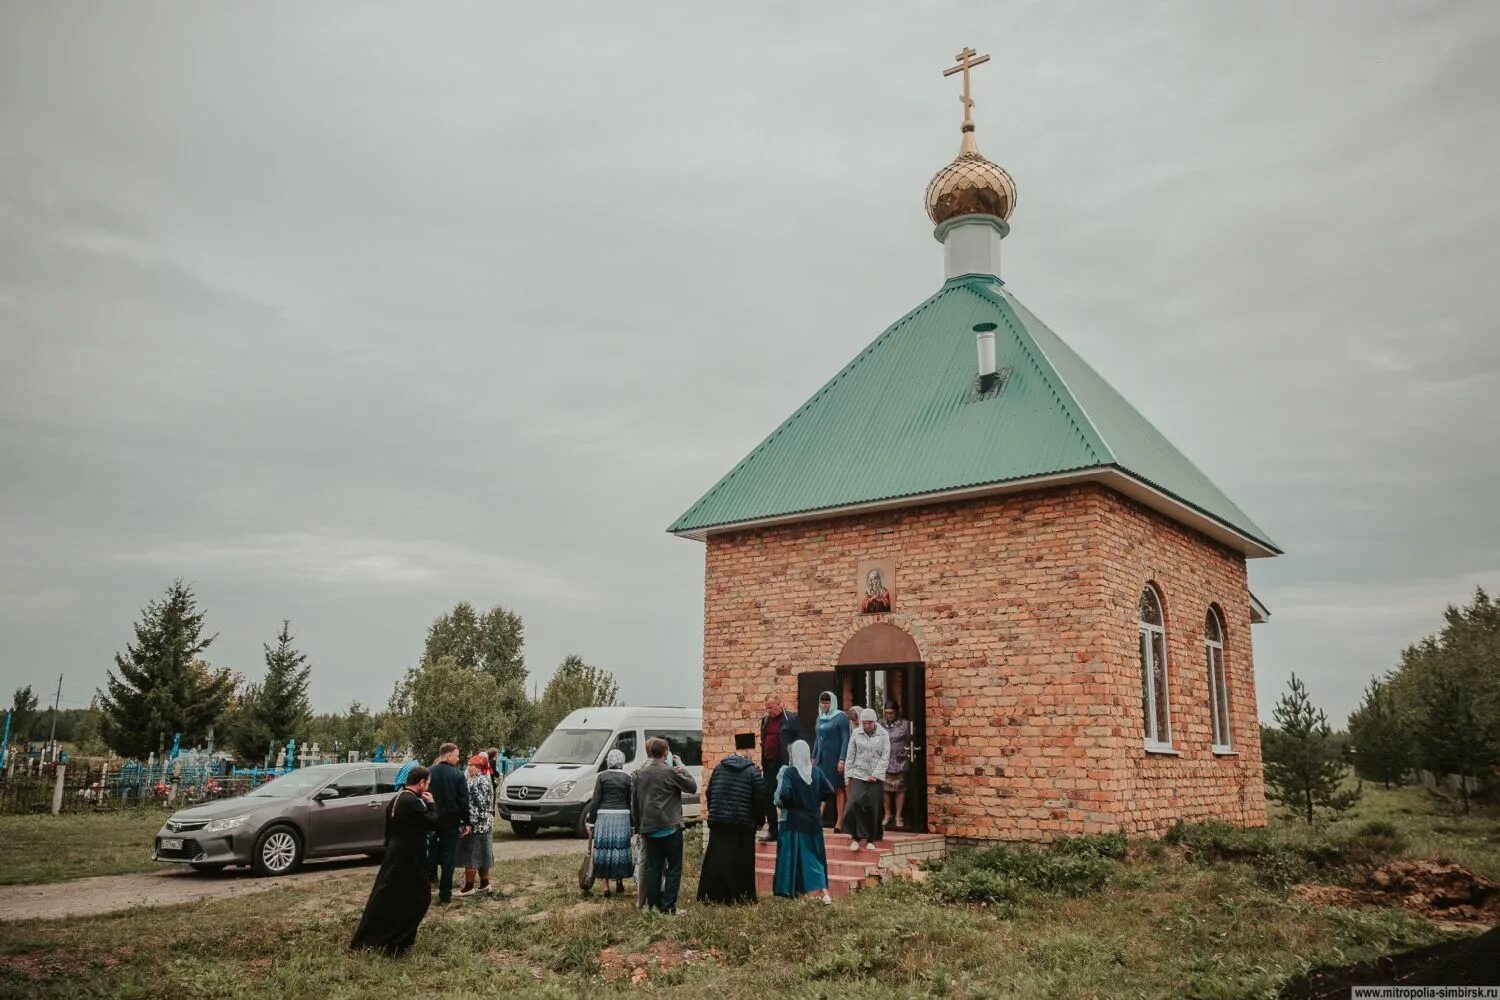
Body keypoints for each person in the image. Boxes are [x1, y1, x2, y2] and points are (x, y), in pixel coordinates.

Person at [350, 765, 437, 956]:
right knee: (419, 898)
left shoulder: (397, 798)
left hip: (395, 853)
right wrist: (432, 804)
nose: (429, 787)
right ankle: (398, 942)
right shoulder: (412, 802)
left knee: (389, 896)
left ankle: (380, 938)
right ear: (421, 783)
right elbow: (432, 822)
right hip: (409, 856)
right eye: (428, 783)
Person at [697, 732, 765, 905]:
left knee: (718, 859)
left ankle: (713, 895)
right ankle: (741, 896)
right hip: (742, 823)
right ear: (750, 749)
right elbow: (759, 799)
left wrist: (715, 811)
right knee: (741, 861)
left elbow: (709, 792)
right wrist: (759, 821)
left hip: (719, 822)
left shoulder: (719, 768)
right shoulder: (752, 771)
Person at [632, 737, 697, 914]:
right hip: (670, 827)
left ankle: (653, 905)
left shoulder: (639, 774)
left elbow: (635, 804)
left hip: (649, 829)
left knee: (653, 868)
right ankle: (668, 906)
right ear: (666, 753)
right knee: (674, 869)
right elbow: (692, 787)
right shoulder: (670, 772)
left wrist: (639, 828)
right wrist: (683, 769)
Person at [772, 740, 835, 904]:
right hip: (814, 823)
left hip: (795, 823)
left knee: (801, 859)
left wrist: (794, 804)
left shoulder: (790, 773)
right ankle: (823, 892)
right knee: (815, 857)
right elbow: (830, 792)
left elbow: (784, 795)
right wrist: (815, 801)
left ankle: (801, 891)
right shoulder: (817, 772)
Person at [426, 743, 472, 904]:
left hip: (431, 820)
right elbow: (463, 801)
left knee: (430, 853)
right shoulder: (458, 775)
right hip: (451, 822)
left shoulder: (428, 772)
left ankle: (428, 885)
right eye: (457, 755)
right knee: (448, 858)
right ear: (447, 755)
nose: (458, 759)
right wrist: (466, 822)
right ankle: (445, 893)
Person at [586, 748, 636, 897]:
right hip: (622, 817)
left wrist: (591, 822)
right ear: (622, 761)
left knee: (604, 849)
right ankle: (619, 881)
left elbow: (595, 801)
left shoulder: (602, 777)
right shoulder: (628, 778)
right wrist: (633, 824)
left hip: (604, 817)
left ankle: (606, 887)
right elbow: (630, 802)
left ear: (609, 761)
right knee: (620, 849)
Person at [842, 708, 890, 851]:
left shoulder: (883, 734)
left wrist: (875, 774)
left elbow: (885, 757)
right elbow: (850, 755)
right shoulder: (856, 733)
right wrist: (847, 775)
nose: (867, 726)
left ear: (874, 722)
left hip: (876, 776)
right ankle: (855, 837)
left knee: (873, 807)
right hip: (859, 773)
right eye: (864, 723)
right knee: (854, 803)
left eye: (869, 723)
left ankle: (871, 838)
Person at [758, 695, 803, 843]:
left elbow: (800, 739)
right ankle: (773, 831)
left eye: (771, 707)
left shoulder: (790, 719)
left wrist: (794, 756)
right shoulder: (765, 721)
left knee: (786, 796)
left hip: (784, 764)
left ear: (779, 704)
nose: (769, 710)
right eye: (767, 708)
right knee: (768, 797)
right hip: (769, 764)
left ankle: (790, 829)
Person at [811, 691, 852, 831]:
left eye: (827, 703)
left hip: (835, 757)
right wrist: (813, 756)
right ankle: (817, 819)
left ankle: (839, 822)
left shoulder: (841, 717)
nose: (824, 705)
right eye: (822, 703)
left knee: (839, 788)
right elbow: (817, 738)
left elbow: (846, 738)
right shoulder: (820, 717)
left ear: (832, 702)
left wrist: (842, 759)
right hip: (821, 758)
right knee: (819, 789)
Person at [457, 753, 494, 895]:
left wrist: (468, 823)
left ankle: (469, 887)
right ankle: (484, 884)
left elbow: (480, 805)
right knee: (483, 854)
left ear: (479, 768)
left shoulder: (478, 781)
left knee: (472, 855)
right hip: (485, 823)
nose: (469, 767)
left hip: (477, 825)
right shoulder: (481, 779)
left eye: (471, 765)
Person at [881, 703, 913, 829]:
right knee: (885, 789)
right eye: (887, 713)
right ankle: (887, 814)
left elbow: (910, 741)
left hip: (900, 760)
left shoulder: (904, 724)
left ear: (896, 712)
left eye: (891, 713)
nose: (889, 715)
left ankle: (898, 816)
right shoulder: (880, 723)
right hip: (885, 761)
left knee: (900, 788)